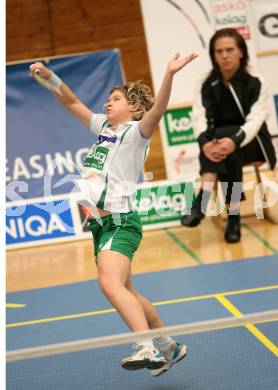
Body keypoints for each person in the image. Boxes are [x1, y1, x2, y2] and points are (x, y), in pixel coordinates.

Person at [29, 51, 197, 376]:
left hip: (120, 222)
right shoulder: (105, 126)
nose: (108, 103)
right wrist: (49, 78)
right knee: (126, 291)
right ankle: (168, 346)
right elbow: (71, 103)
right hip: (100, 224)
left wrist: (170, 74)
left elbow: (158, 109)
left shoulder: (136, 133)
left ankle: (145, 346)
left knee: (109, 285)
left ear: (133, 108)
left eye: (116, 99)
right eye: (108, 99)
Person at [181, 28, 276, 243]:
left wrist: (234, 141)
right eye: (219, 51)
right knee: (222, 144)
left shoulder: (256, 80)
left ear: (241, 52)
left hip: (253, 142)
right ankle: (233, 219)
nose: (224, 55)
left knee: (227, 138)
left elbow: (255, 120)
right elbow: (199, 115)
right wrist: (205, 143)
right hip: (220, 147)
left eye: (230, 50)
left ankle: (201, 202)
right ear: (213, 55)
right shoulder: (206, 81)